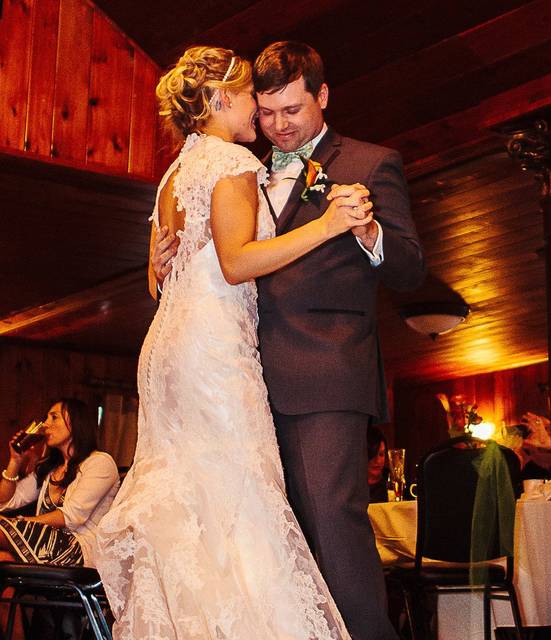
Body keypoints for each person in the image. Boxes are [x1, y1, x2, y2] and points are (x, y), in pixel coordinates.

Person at [149, 42, 425, 640]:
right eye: (267, 111)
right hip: (235, 375)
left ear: (323, 97)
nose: (276, 125)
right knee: (261, 538)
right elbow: (221, 260)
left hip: (322, 372)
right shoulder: (233, 164)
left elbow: (409, 271)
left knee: (331, 527)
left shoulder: (372, 163)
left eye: (292, 110)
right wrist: (163, 261)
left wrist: (369, 230)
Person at [95, 46, 373, 639]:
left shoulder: (174, 171)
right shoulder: (230, 161)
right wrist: (327, 226)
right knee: (239, 498)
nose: (260, 112)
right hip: (212, 353)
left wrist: (156, 266)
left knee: (197, 500)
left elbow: (158, 276)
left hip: (169, 347)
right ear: (223, 99)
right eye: (251, 96)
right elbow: (236, 263)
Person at [0, 399, 119, 567]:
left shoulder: (100, 462)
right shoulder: (49, 469)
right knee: (3, 558)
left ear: (76, 423)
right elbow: (5, 502)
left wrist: (21, 522)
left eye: (54, 417)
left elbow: (71, 516)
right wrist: (15, 461)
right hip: (43, 545)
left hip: (79, 550)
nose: (46, 424)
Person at [367, 425, 388, 503]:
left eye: (381, 454)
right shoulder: (352, 489)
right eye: (373, 454)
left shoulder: (388, 485)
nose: (378, 461)